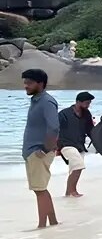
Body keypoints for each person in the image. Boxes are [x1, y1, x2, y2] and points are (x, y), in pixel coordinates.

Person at [21, 69, 60, 228]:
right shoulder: (37, 99)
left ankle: (42, 226)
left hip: (39, 151)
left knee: (40, 190)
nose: (25, 86)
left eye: (29, 83)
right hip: (33, 151)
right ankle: (53, 223)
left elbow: (54, 128)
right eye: (25, 83)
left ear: (40, 83)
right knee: (41, 189)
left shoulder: (46, 101)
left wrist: (45, 149)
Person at [57, 91, 94, 198]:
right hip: (66, 144)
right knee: (78, 165)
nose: (88, 105)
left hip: (80, 145)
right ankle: (73, 191)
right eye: (86, 103)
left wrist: (100, 142)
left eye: (89, 103)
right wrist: (54, 146)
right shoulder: (64, 114)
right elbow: (54, 129)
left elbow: (90, 130)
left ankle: (68, 193)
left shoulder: (86, 114)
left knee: (75, 168)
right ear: (78, 102)